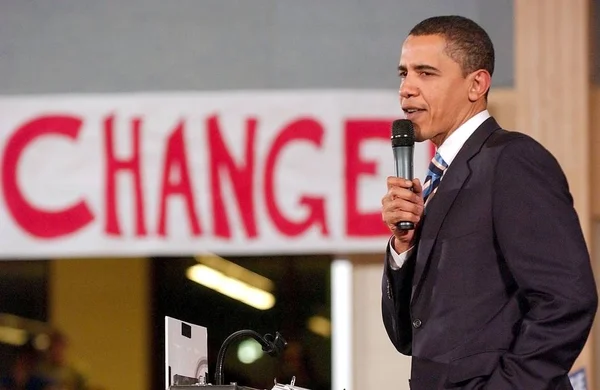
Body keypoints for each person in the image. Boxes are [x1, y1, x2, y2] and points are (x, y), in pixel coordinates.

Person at [380, 15, 598, 389]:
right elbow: (410, 336)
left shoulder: (511, 160)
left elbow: (567, 299)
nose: (407, 89)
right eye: (403, 74)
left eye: (426, 73)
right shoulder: (442, 179)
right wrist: (404, 247)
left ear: (476, 84)